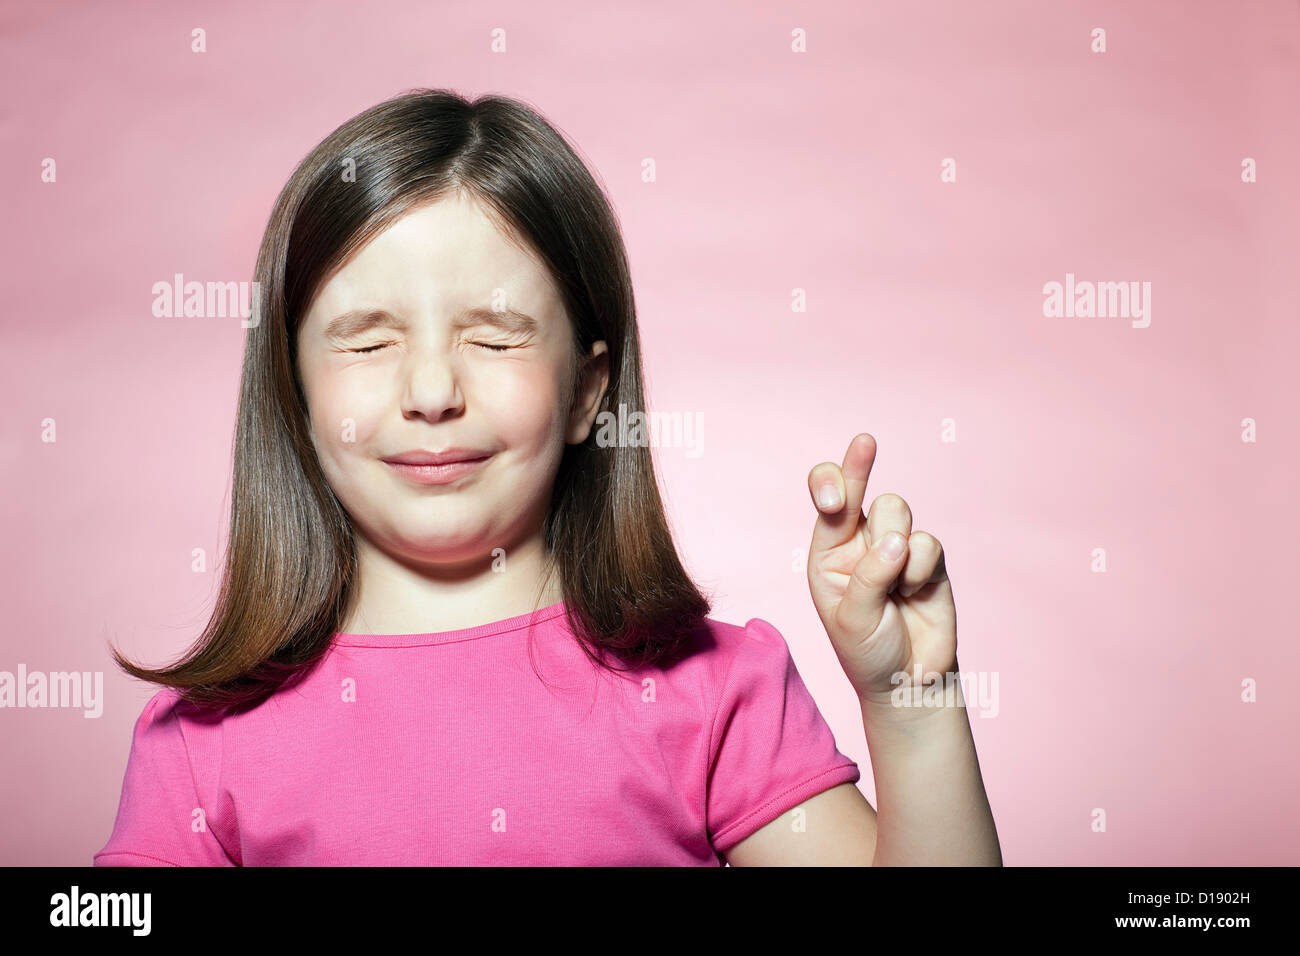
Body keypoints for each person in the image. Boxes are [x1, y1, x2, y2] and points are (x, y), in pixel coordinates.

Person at [93, 89, 1000, 866]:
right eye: (369, 341)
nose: (434, 391)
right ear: (293, 392)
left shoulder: (715, 692)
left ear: (586, 393)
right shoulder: (199, 747)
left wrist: (912, 703)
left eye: (493, 338)